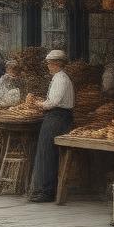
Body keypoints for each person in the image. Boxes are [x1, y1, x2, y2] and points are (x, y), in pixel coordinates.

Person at [28, 50, 74, 203]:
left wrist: (38, 103)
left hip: (57, 118)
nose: (48, 66)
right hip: (55, 116)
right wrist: (43, 102)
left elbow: (54, 102)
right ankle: (44, 189)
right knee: (46, 153)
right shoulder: (58, 78)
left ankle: (46, 191)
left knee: (47, 153)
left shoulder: (61, 79)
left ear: (57, 64)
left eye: (49, 63)